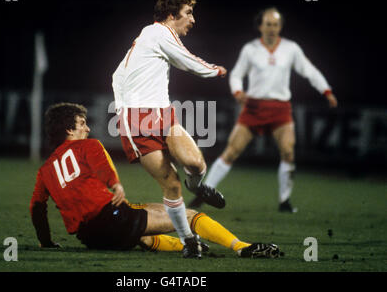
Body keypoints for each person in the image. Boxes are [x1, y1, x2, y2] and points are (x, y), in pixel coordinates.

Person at [30, 102, 280, 259]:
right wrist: (115, 183)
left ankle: (193, 247)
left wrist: (46, 242)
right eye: (81, 124)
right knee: (188, 215)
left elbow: (37, 208)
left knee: (143, 234)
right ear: (69, 130)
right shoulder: (88, 145)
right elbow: (102, 166)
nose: (87, 128)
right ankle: (242, 247)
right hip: (112, 218)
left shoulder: (44, 170)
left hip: (89, 237)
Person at [111, 0, 228, 256]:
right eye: (189, 12)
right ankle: (189, 241)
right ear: (172, 13)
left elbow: (117, 74)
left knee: (196, 164)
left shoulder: (150, 35)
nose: (193, 19)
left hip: (162, 113)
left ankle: (196, 185)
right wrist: (215, 70)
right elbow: (185, 60)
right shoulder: (158, 32)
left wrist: (120, 101)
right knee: (171, 185)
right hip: (137, 123)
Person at [189, 7, 338, 212]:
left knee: (288, 152)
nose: (271, 28)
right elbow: (235, 75)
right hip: (254, 108)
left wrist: (326, 91)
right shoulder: (251, 49)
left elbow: (309, 70)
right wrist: (238, 92)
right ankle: (204, 194)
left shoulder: (290, 48)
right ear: (260, 26)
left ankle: (284, 201)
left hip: (280, 109)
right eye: (267, 24)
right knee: (231, 152)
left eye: (275, 24)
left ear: (280, 26)